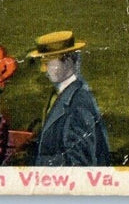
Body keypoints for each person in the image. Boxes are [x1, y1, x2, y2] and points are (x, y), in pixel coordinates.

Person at [28, 31, 111, 166]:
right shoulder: (63, 94)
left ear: (67, 61)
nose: (43, 70)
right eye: (42, 62)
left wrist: (36, 162)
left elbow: (80, 164)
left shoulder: (78, 103)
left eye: (48, 62)